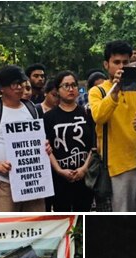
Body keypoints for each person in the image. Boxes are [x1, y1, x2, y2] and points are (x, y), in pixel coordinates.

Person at [89, 40, 136, 212]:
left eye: (125, 62)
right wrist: (116, 89)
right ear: (106, 64)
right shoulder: (98, 91)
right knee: (123, 218)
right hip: (118, 165)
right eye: (116, 62)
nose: (121, 66)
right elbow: (99, 116)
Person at [0, 65, 46, 212]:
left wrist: (45, 147)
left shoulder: (31, 108)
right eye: (14, 84)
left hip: (32, 182)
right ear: (2, 88)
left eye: (22, 84)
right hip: (4, 183)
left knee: (36, 223)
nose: (20, 88)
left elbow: (39, 140)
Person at [44, 70, 94, 212]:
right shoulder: (48, 117)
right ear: (57, 90)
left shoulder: (87, 114)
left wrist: (84, 169)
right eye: (66, 86)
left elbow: (94, 145)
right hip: (59, 178)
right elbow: (46, 148)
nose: (70, 89)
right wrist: (59, 170)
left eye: (73, 85)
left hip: (84, 176)